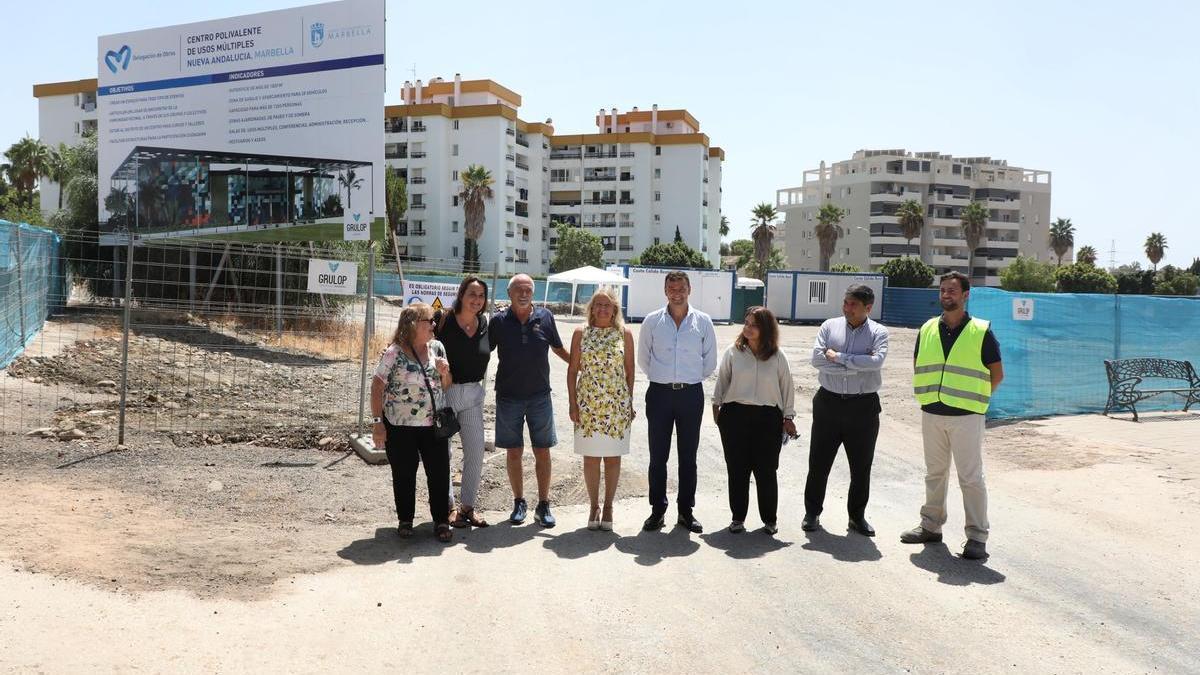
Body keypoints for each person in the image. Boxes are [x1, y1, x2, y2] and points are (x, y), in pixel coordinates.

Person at [901, 271, 1003, 560]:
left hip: (967, 416)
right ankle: (931, 526)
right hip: (932, 412)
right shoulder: (928, 329)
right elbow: (918, 365)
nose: (946, 295)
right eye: (943, 290)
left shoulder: (981, 331)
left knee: (970, 478)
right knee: (934, 474)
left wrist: (976, 399)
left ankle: (977, 537)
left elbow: (997, 374)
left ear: (965, 295)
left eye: (952, 291)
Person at [804, 284, 889, 536]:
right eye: (846, 302)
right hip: (828, 403)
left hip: (863, 407)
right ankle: (812, 513)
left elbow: (877, 362)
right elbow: (817, 360)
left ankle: (856, 517)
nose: (847, 308)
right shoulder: (829, 326)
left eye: (853, 304)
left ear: (868, 308)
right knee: (819, 462)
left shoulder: (879, 332)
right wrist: (857, 364)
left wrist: (839, 357)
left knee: (861, 467)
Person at [637, 271, 718, 533]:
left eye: (681, 288)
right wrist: (663, 378)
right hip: (659, 394)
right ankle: (657, 510)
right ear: (665, 291)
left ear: (689, 289)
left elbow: (709, 361)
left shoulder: (703, 322)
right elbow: (643, 359)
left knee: (688, 456)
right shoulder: (652, 321)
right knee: (657, 456)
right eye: (672, 288)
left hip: (690, 395)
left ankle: (686, 511)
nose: (676, 293)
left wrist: (687, 378)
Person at [489, 274, 570, 527]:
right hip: (508, 397)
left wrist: (580, 365)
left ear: (533, 294)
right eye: (518, 290)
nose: (524, 294)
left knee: (542, 451)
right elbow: (482, 351)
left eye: (528, 290)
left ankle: (544, 504)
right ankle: (519, 502)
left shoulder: (545, 317)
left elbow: (558, 348)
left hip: (539, 397)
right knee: (514, 452)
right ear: (509, 293)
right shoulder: (499, 321)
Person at [370, 303, 454, 543]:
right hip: (399, 426)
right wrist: (378, 423)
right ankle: (405, 519)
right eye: (430, 320)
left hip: (433, 425)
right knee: (404, 474)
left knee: (439, 474)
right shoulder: (394, 352)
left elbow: (446, 386)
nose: (434, 325)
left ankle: (441, 521)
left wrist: (445, 372)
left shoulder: (437, 347)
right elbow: (377, 386)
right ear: (414, 325)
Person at [712, 306, 796, 534]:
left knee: (766, 471)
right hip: (735, 416)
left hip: (768, 419)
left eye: (754, 325)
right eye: (746, 323)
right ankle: (737, 518)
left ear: (766, 329)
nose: (748, 328)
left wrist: (788, 417)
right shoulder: (733, 352)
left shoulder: (778, 356)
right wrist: (717, 408)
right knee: (737, 470)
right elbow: (722, 382)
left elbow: (787, 388)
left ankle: (770, 520)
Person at [567, 288, 635, 531]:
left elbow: (630, 371)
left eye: (607, 305)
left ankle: (608, 507)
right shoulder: (580, 333)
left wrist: (630, 403)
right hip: (588, 405)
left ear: (615, 309)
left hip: (616, 405)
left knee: (613, 458)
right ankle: (593, 505)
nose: (603, 309)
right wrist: (572, 403)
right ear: (592, 309)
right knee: (591, 457)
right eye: (598, 305)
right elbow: (573, 370)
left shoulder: (624, 333)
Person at [435, 276, 491, 529]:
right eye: (472, 294)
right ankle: (448, 507)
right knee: (442, 454)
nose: (477, 300)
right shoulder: (443, 320)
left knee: (476, 451)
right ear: (461, 294)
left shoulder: (485, 324)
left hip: (472, 395)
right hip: (445, 394)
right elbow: (420, 340)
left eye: (481, 296)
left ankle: (467, 506)